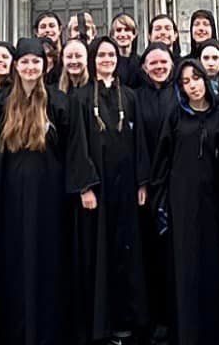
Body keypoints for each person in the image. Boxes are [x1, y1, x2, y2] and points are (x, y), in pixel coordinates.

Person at [0, 39, 96, 345]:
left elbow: (75, 146)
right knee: (14, 262)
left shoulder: (60, 102)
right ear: (16, 66)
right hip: (10, 196)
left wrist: (84, 187)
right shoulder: (1, 104)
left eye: (36, 61)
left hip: (49, 197)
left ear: (45, 65)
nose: (30, 67)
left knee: (48, 261)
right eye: (25, 62)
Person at [74, 37, 150, 342]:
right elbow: (78, 145)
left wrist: (142, 181)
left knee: (126, 253)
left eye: (111, 54)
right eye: (101, 55)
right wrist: (85, 186)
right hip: (98, 191)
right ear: (93, 59)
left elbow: (140, 139)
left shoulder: (129, 96)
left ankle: (126, 320)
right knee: (99, 254)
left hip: (125, 188)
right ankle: (100, 325)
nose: (107, 59)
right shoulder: (81, 98)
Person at [151, 60, 219, 345]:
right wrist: (160, 202)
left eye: (196, 78)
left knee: (211, 269)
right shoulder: (175, 116)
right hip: (181, 202)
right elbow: (162, 159)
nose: (193, 85)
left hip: (212, 202)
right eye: (185, 81)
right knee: (184, 269)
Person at [134, 45, 178, 341]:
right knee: (151, 252)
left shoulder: (181, 93)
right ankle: (156, 319)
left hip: (179, 181)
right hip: (150, 185)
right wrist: (142, 181)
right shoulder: (136, 97)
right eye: (153, 63)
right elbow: (136, 141)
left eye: (164, 62)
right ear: (144, 67)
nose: (159, 67)